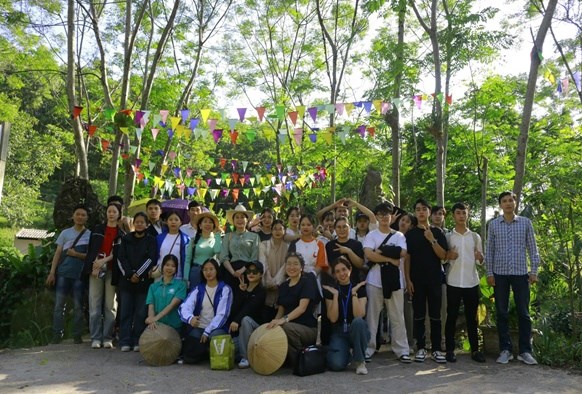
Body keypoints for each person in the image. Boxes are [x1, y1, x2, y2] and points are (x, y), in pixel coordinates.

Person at [485, 191, 540, 365]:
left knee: (524, 313)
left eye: (510, 200)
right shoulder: (493, 225)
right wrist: (489, 273)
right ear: (500, 205)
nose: (508, 203)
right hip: (500, 274)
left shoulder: (525, 223)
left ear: (515, 203)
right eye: (504, 201)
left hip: (521, 273)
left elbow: (533, 248)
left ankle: (525, 351)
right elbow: (490, 250)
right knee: (501, 312)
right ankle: (505, 350)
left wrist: (534, 271)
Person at [363, 202, 411, 363]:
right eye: (381, 214)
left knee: (397, 316)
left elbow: (403, 252)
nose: (384, 217)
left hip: (394, 281)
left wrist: (382, 253)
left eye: (387, 214)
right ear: (376, 216)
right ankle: (368, 349)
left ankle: (402, 350)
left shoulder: (399, 236)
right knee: (372, 316)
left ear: (392, 217)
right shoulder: (371, 235)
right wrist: (391, 258)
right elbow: (369, 255)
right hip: (374, 281)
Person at [405, 198, 448, 363]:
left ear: (429, 212)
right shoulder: (410, 234)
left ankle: (436, 348)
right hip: (416, 280)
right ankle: (421, 348)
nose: (421, 212)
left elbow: (443, 256)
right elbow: (407, 258)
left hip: (435, 279)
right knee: (419, 315)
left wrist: (432, 239)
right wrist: (408, 279)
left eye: (424, 209)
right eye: (418, 209)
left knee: (436, 315)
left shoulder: (437, 232)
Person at [444, 203, 485, 363]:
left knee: (471, 318)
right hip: (453, 282)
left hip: (471, 282)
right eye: (458, 213)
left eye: (464, 213)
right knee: (451, 316)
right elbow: (442, 258)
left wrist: (480, 257)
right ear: (453, 216)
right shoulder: (448, 237)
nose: (461, 215)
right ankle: (449, 350)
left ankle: (475, 350)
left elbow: (481, 260)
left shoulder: (475, 237)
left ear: (468, 215)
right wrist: (448, 255)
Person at [46, 205, 91, 344]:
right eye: (77, 214)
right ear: (73, 216)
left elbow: (90, 257)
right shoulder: (65, 233)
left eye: (83, 215)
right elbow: (58, 254)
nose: (80, 217)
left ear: (87, 218)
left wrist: (76, 254)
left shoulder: (90, 235)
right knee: (59, 305)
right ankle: (57, 335)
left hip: (79, 276)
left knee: (78, 306)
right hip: (63, 274)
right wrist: (52, 273)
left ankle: (77, 335)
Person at [266, 252, 319, 367]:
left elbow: (302, 308)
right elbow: (281, 309)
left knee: (285, 327)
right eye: (289, 264)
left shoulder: (306, 282)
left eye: (295, 264)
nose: (292, 267)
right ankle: (289, 360)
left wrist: (283, 320)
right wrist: (274, 322)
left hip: (307, 328)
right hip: (289, 325)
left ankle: (301, 360)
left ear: (301, 267)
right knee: (274, 327)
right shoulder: (283, 286)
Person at [85, 202, 125, 349]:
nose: (111, 214)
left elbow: (119, 254)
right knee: (94, 305)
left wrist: (103, 261)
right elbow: (91, 250)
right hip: (96, 270)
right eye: (109, 211)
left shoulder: (121, 233)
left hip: (112, 271)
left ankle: (108, 337)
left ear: (119, 214)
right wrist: (94, 265)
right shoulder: (97, 230)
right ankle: (95, 337)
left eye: (114, 211)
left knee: (110, 305)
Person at [178, 258, 233, 364]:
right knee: (189, 356)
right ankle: (205, 352)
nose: (208, 272)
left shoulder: (225, 289)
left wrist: (207, 331)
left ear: (217, 270)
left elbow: (223, 314)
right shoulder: (199, 289)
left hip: (217, 328)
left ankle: (206, 350)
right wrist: (190, 319)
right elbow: (184, 307)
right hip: (200, 327)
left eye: (211, 269)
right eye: (205, 270)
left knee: (213, 337)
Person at [117, 212, 157, 352]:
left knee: (141, 313)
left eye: (142, 222)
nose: (139, 224)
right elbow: (121, 258)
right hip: (126, 282)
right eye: (137, 222)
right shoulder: (126, 238)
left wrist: (139, 274)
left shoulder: (151, 240)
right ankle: (125, 340)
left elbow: (151, 258)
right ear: (133, 223)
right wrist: (129, 274)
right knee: (125, 312)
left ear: (147, 224)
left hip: (143, 282)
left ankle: (137, 340)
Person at [322, 257, 369, 375]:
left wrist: (353, 294)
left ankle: (360, 361)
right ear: (334, 274)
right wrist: (336, 296)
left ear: (350, 270)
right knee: (336, 365)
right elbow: (332, 318)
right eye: (337, 271)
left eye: (344, 269)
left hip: (356, 331)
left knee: (358, 322)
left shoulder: (360, 288)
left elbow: (359, 315)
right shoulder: (331, 291)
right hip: (339, 332)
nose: (341, 273)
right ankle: (346, 354)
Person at [230, 261, 267, 369]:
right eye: (249, 271)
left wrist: (237, 320)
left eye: (255, 271)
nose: (251, 274)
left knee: (245, 320)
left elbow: (249, 308)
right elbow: (234, 310)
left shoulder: (261, 291)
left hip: (257, 330)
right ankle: (247, 353)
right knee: (227, 347)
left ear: (260, 274)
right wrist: (241, 293)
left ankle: (245, 358)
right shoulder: (242, 288)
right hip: (243, 334)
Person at [220, 204, 260, 290]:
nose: (239, 220)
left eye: (242, 217)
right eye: (237, 217)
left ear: (247, 220)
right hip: (231, 270)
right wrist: (234, 272)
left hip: (249, 271)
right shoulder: (228, 236)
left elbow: (254, 257)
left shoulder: (254, 236)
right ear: (233, 221)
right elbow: (224, 257)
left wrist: (242, 270)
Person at [145, 254, 187, 332]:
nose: (169, 268)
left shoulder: (181, 285)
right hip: (157, 326)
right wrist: (151, 319)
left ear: (176, 269)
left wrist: (155, 318)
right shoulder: (153, 287)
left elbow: (172, 305)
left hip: (174, 327)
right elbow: (151, 306)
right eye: (167, 265)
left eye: (173, 266)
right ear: (162, 266)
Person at [184, 210, 222, 291]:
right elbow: (188, 260)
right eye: (205, 222)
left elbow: (217, 250)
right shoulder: (194, 240)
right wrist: (186, 278)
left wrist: (217, 235)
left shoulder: (216, 239)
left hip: (211, 272)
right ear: (200, 226)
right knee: (194, 297)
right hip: (196, 272)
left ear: (213, 226)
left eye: (210, 222)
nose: (208, 224)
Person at [259, 219, 289, 321]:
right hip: (266, 287)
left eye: (280, 229)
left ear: (284, 231)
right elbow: (263, 264)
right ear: (271, 231)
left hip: (281, 287)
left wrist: (276, 282)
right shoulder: (264, 244)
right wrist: (269, 282)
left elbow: (285, 267)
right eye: (275, 229)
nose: (277, 231)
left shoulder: (288, 247)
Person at [397, 213, 417, 348]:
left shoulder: (410, 240)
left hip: (404, 280)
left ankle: (409, 342)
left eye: (407, 221)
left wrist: (408, 280)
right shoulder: (392, 235)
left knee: (407, 313)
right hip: (390, 279)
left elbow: (408, 261)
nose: (403, 223)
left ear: (411, 226)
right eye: (402, 220)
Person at [325, 217, 365, 283]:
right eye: (339, 227)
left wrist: (349, 251)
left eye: (344, 227)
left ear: (349, 227)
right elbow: (326, 265)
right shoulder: (329, 245)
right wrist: (337, 276)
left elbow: (360, 264)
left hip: (354, 282)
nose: (342, 229)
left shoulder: (357, 244)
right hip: (335, 283)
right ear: (335, 229)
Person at [155, 211, 190, 280]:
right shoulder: (159, 238)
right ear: (166, 222)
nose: (173, 222)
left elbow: (187, 259)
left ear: (181, 222)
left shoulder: (186, 239)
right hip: (160, 275)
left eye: (176, 220)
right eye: (170, 220)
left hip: (178, 276)